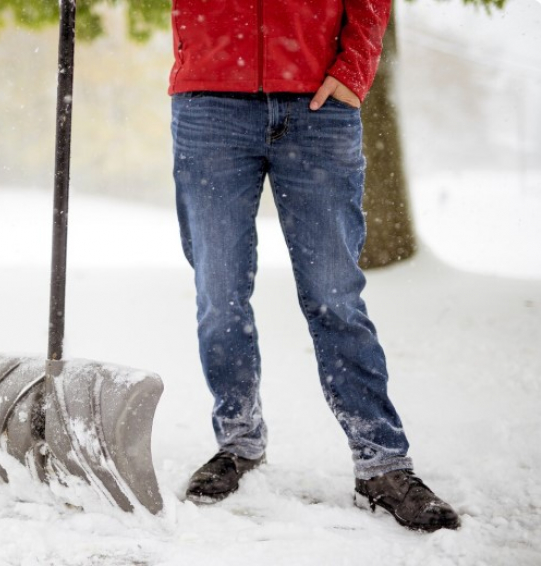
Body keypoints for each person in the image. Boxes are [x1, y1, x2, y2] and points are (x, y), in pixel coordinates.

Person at [169, 0, 460, 532]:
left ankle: (381, 464)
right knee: (219, 292)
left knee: (335, 297)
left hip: (318, 105)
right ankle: (238, 444)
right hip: (210, 106)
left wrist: (353, 71)